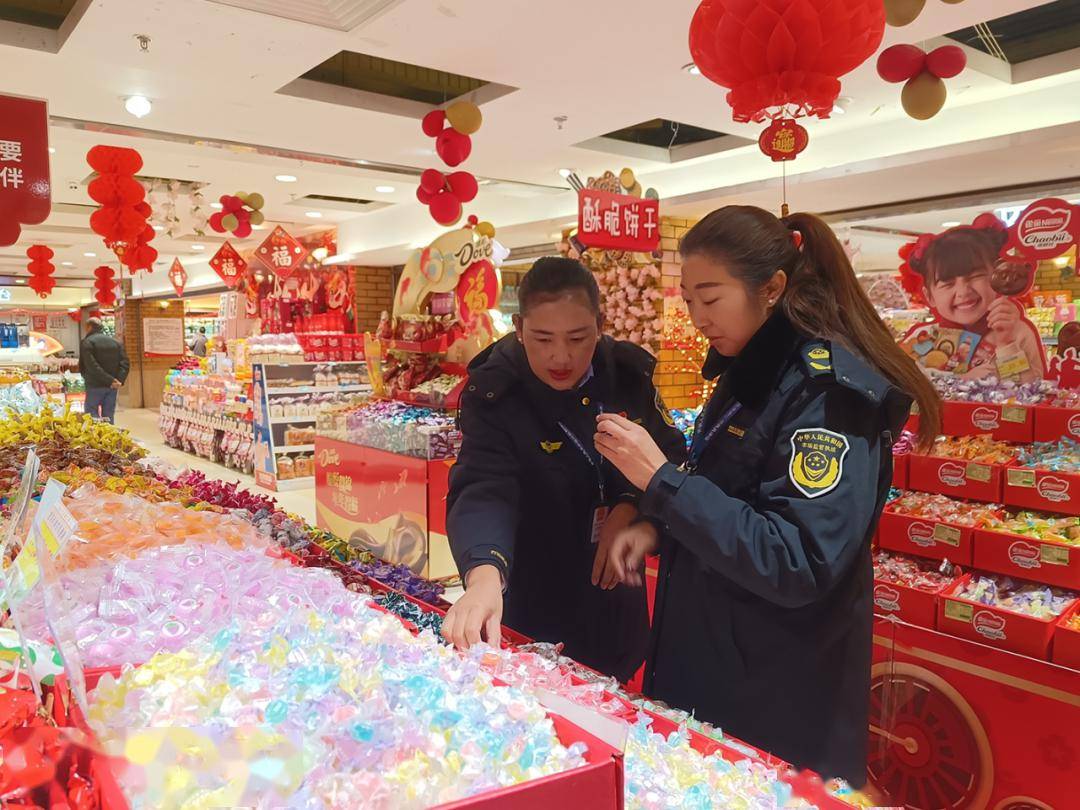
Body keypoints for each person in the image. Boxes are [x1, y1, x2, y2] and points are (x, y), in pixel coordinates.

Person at [594, 206, 941, 783]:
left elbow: (799, 558)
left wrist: (661, 480)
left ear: (773, 287)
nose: (697, 316)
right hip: (717, 669)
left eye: (711, 297)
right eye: (687, 299)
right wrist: (659, 525)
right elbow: (734, 492)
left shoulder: (826, 392)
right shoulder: (748, 369)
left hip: (778, 695)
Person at [442, 256, 686, 681]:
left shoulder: (627, 376)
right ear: (518, 328)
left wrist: (631, 508)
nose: (561, 356)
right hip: (530, 591)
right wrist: (483, 575)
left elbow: (669, 461)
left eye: (578, 338)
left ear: (600, 324)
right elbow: (485, 486)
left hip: (612, 597)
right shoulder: (495, 391)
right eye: (542, 339)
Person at [905, 221, 1045, 382]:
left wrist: (1006, 343)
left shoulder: (1017, 332)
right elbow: (908, 386)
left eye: (975, 276)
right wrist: (962, 381)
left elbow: (1031, 391)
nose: (963, 292)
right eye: (948, 284)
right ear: (929, 296)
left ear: (996, 276)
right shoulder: (923, 338)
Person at [79, 317, 130, 423]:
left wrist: (109, 380)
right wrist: (118, 380)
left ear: (89, 327)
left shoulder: (87, 342)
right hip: (112, 387)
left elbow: (91, 366)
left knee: (91, 415)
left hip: (94, 385)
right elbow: (125, 363)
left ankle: (95, 438)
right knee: (109, 415)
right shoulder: (116, 342)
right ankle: (109, 438)